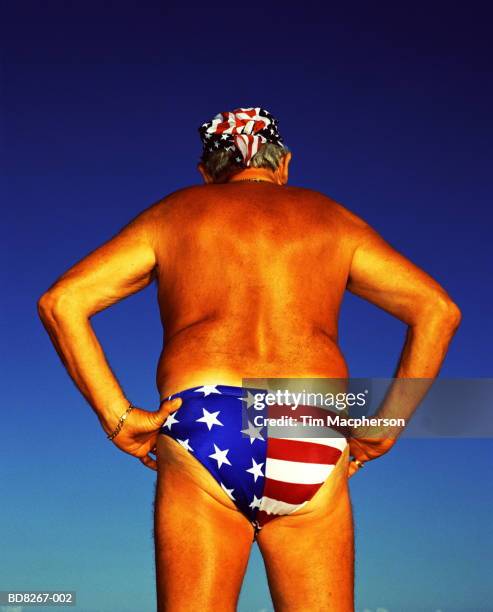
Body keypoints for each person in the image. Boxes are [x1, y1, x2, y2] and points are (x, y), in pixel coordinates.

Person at [38, 107, 461, 611]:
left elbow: (62, 301)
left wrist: (118, 417)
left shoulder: (176, 214)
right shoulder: (333, 220)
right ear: (283, 164)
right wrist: (386, 425)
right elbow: (437, 310)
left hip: (206, 423)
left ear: (206, 173)